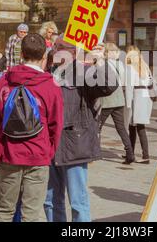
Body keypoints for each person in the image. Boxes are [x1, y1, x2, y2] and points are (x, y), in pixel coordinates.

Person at [0, 33, 63, 222]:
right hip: (38, 154)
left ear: (21, 54)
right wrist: (49, 150)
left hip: (9, 152)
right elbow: (56, 124)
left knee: (4, 210)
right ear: (45, 56)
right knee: (32, 214)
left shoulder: (4, 81)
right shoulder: (51, 85)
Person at [44, 36, 117, 222]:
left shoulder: (83, 72)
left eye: (62, 49)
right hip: (50, 145)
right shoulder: (48, 73)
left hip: (74, 145)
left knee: (78, 202)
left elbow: (109, 85)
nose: (57, 52)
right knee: (51, 200)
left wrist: (100, 60)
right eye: (56, 48)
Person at [99, 43, 135, 164]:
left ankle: (93, 152)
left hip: (107, 99)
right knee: (121, 128)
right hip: (119, 98)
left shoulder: (103, 64)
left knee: (97, 126)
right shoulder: (121, 64)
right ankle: (130, 153)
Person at [124, 45, 153, 164]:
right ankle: (142, 154)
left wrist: (127, 104)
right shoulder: (145, 66)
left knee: (134, 128)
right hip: (145, 97)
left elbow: (129, 88)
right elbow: (151, 81)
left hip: (136, 98)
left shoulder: (130, 69)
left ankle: (133, 154)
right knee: (140, 127)